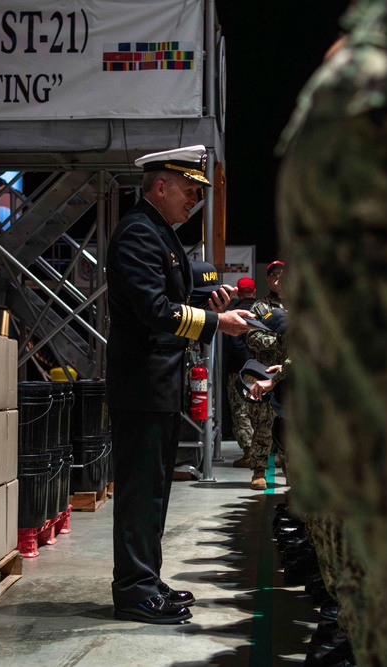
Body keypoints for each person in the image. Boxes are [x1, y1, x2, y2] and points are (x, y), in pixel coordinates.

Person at [105, 144, 254, 625]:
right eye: (190, 191)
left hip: (157, 385)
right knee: (139, 493)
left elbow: (171, 292)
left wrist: (205, 297)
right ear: (162, 185)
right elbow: (154, 310)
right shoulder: (137, 234)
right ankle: (132, 589)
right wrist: (215, 323)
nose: (194, 201)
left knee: (153, 493)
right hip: (142, 386)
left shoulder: (157, 233)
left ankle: (146, 579)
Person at [244, 261, 288, 490]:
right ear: (269, 279)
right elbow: (251, 336)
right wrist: (278, 338)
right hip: (266, 374)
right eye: (275, 275)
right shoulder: (260, 307)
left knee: (289, 426)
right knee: (263, 424)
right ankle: (259, 470)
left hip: (291, 376)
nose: (279, 279)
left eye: (283, 274)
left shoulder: (299, 303)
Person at [225, 276, 257, 467]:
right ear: (253, 291)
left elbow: (235, 342)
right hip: (261, 370)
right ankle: (260, 452)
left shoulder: (234, 312)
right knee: (259, 410)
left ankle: (248, 452)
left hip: (237, 370)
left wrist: (247, 363)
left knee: (240, 411)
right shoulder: (262, 310)